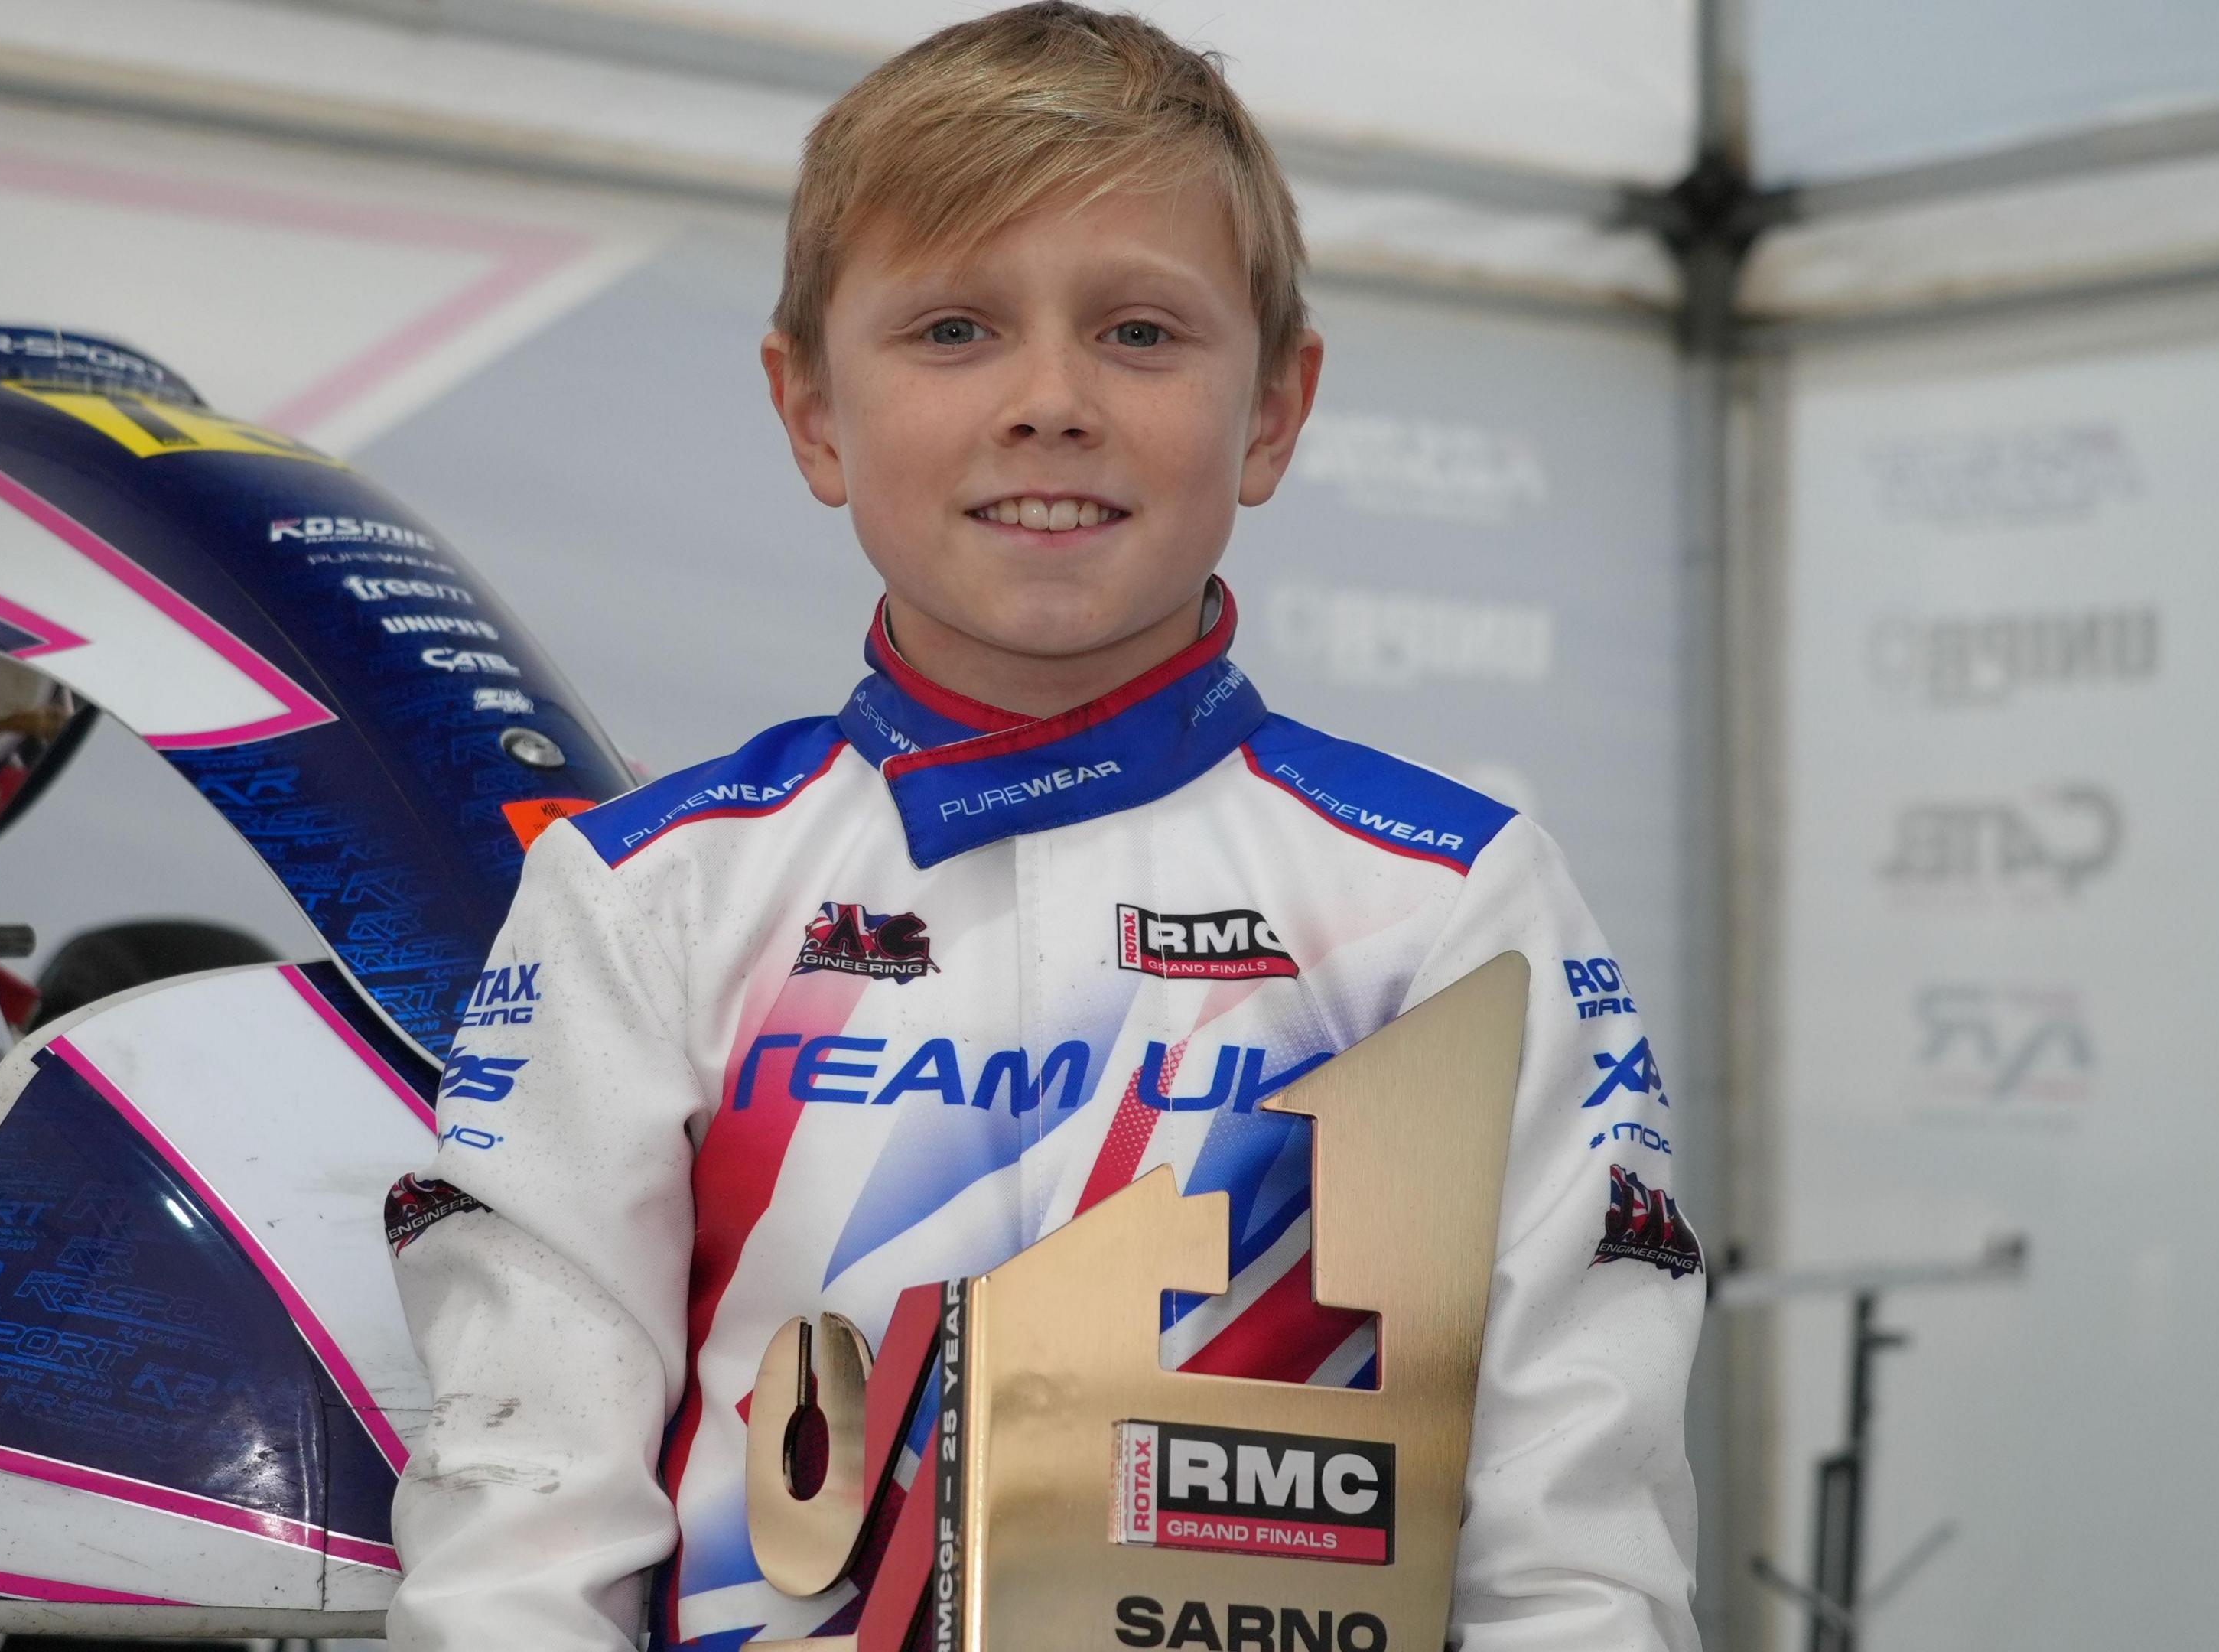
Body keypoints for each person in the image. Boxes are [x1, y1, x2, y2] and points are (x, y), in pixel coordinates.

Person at [383, 6, 1703, 1649]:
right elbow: (523, 1513)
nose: (1052, 401)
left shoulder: (1445, 901)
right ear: (810, 411)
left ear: (1277, 410)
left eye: (1142, 333)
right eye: (953, 329)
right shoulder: (654, 891)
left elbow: (1572, 1556)